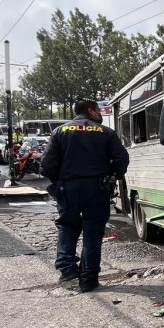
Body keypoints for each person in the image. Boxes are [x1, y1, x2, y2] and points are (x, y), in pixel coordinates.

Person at [41, 99, 129, 292]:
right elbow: (122, 159)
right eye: (99, 111)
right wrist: (112, 176)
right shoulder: (106, 133)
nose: (100, 115)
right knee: (93, 232)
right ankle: (88, 279)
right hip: (97, 188)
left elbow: (46, 164)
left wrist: (60, 181)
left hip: (68, 187)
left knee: (67, 225)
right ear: (90, 110)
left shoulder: (59, 132)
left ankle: (67, 269)